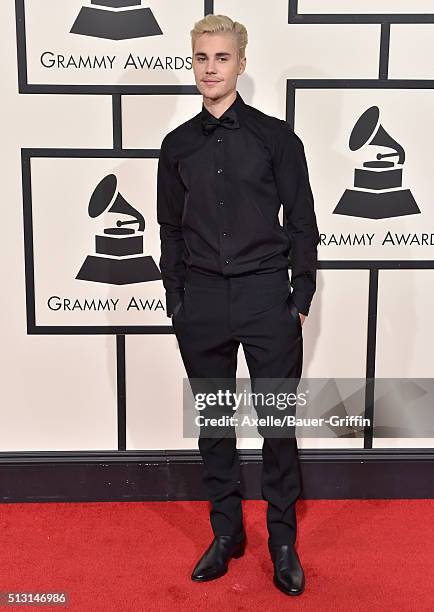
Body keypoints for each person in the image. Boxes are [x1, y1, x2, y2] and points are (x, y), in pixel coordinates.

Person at [157, 14, 320, 597]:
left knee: (277, 424)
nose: (210, 68)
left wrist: (299, 296)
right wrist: (176, 299)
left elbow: (303, 223)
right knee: (215, 424)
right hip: (199, 300)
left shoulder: (277, 139)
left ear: (241, 64)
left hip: (265, 297)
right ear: (193, 63)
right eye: (201, 58)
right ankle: (226, 534)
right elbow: (169, 230)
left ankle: (282, 540)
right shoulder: (175, 146)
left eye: (221, 58)